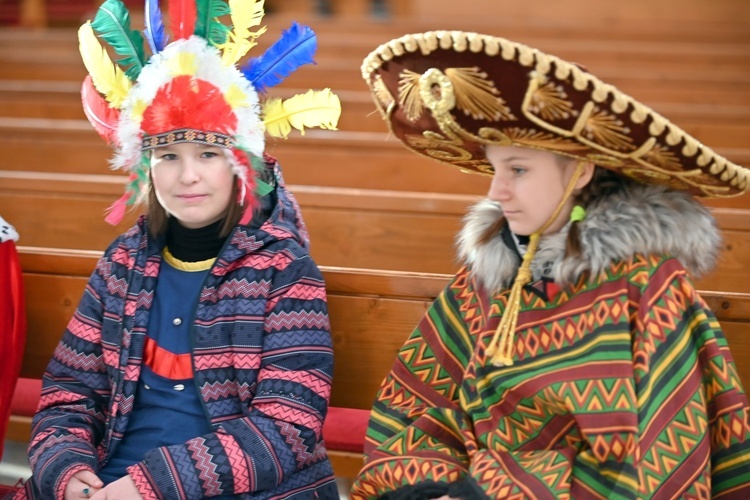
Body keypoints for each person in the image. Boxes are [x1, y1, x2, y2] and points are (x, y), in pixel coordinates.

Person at [352, 31, 750, 498]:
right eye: (495, 169)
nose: (497, 192)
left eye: (518, 170)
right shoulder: (487, 276)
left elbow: (655, 458)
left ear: (579, 172)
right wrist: (434, 487)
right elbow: (420, 405)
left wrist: (493, 491)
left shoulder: (643, 286)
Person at [16, 0, 341, 498]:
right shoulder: (123, 262)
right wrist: (69, 472)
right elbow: (69, 393)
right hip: (104, 482)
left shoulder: (284, 270)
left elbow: (286, 427)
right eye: (167, 155)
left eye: (208, 154)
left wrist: (146, 488)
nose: (187, 175)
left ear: (240, 163)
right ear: (145, 166)